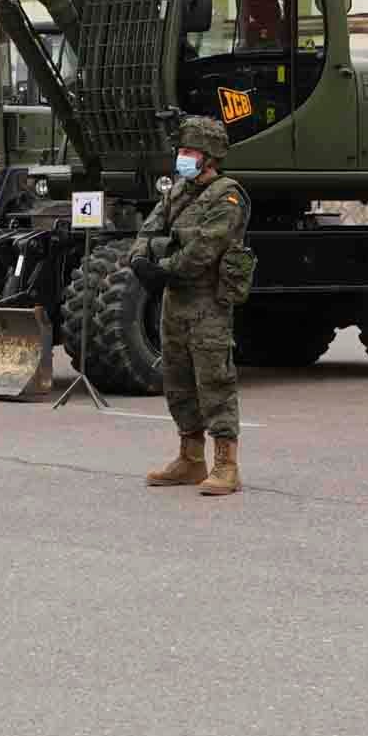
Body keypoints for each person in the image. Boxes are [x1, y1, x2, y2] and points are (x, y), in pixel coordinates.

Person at [132, 114, 252, 498]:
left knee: (214, 379)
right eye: (181, 150)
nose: (182, 157)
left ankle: (225, 465)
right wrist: (140, 260)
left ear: (210, 156)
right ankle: (190, 458)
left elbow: (202, 250)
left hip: (207, 302)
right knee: (178, 380)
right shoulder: (178, 191)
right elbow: (148, 230)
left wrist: (161, 267)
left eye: (189, 151)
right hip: (175, 300)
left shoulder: (227, 196)